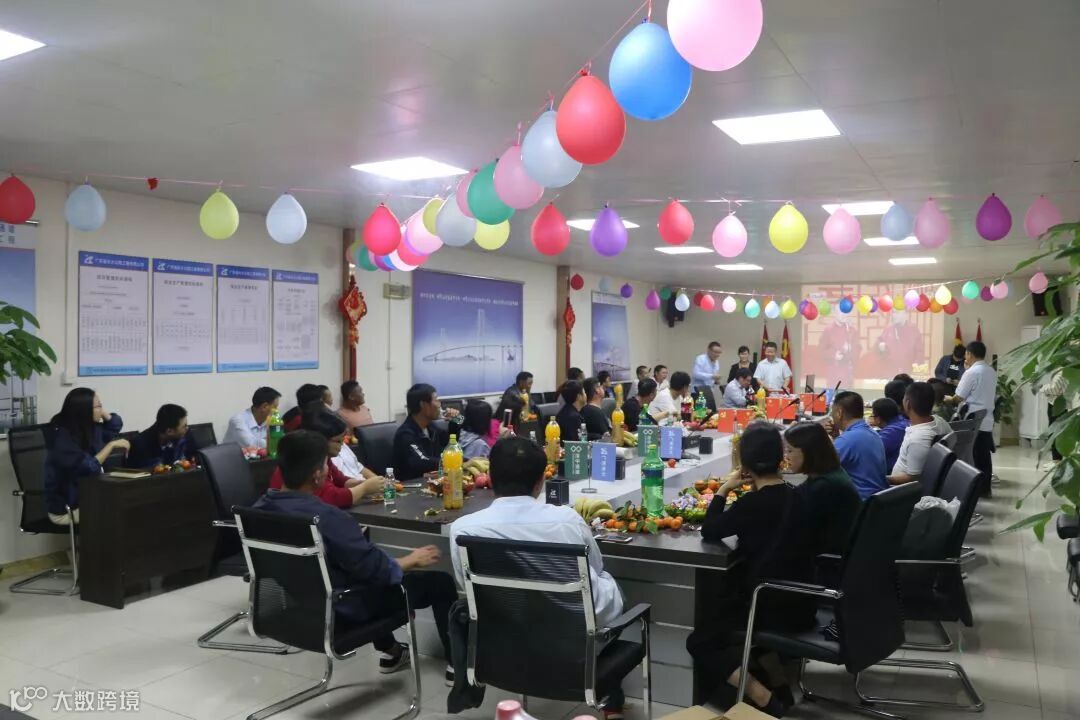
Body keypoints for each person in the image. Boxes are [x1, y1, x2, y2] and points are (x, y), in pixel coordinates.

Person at [450, 436, 627, 716]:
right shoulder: (566, 521)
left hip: (502, 649)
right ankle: (611, 698)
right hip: (573, 650)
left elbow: (468, 589)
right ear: (540, 482)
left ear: (490, 477)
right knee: (609, 586)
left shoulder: (462, 530)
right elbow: (596, 566)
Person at [256, 431, 456, 677]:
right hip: (342, 609)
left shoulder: (259, 509)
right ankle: (457, 667)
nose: (328, 471)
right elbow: (375, 570)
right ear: (317, 475)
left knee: (359, 571)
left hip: (293, 604)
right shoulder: (328, 517)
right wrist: (410, 560)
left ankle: (393, 651)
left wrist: (352, 543)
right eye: (326, 465)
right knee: (439, 583)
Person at [690, 423, 815, 715]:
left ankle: (763, 697)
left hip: (768, 605)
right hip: (802, 601)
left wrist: (724, 488)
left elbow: (710, 529)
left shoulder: (752, 504)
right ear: (780, 458)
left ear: (744, 462)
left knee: (700, 642)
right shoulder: (798, 495)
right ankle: (781, 686)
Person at [269, 407, 383, 508]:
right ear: (320, 440)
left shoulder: (324, 458)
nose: (341, 445)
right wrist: (364, 488)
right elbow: (333, 497)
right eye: (338, 441)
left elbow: (341, 480)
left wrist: (365, 484)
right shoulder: (308, 462)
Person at [44, 388, 127, 525]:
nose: (101, 410)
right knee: (120, 511)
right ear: (83, 410)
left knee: (129, 502)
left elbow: (114, 425)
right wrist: (111, 446)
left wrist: (101, 412)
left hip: (88, 496)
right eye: (98, 406)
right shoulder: (61, 438)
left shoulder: (87, 428)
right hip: (68, 508)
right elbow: (88, 467)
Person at [783, 422, 860, 557]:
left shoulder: (825, 486)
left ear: (809, 452)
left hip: (826, 561)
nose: (786, 456)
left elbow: (796, 530)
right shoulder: (828, 473)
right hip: (834, 555)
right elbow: (799, 493)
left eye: (790, 451)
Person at [946, 341, 997, 496]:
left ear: (969, 354)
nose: (965, 358)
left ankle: (976, 490)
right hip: (986, 418)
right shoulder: (990, 370)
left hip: (972, 420)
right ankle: (985, 489)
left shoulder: (972, 373)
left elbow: (958, 398)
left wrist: (946, 399)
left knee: (974, 456)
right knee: (984, 456)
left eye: (966, 354)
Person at [888, 382, 953, 485]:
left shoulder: (918, 439)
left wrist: (883, 479)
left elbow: (912, 479)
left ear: (907, 404)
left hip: (900, 490)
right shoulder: (940, 421)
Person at [830, 391, 887, 499]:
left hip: (859, 503)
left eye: (832, 413)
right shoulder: (872, 433)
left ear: (839, 413)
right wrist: (836, 437)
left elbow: (820, 468)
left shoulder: (847, 440)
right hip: (876, 500)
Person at [393, 384, 451, 480]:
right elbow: (421, 460)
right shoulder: (405, 434)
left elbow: (451, 442)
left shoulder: (431, 427)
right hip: (412, 485)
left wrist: (456, 421)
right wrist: (453, 462)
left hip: (433, 480)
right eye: (436, 400)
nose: (439, 404)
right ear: (423, 405)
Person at [128, 403, 196, 468]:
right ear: (169, 431)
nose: (187, 428)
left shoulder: (185, 435)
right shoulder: (139, 446)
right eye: (184, 426)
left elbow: (196, 458)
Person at [868, 398, 909, 477]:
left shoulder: (890, 433)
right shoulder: (904, 422)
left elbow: (870, 453)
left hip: (891, 476)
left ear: (878, 419)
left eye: (873, 415)